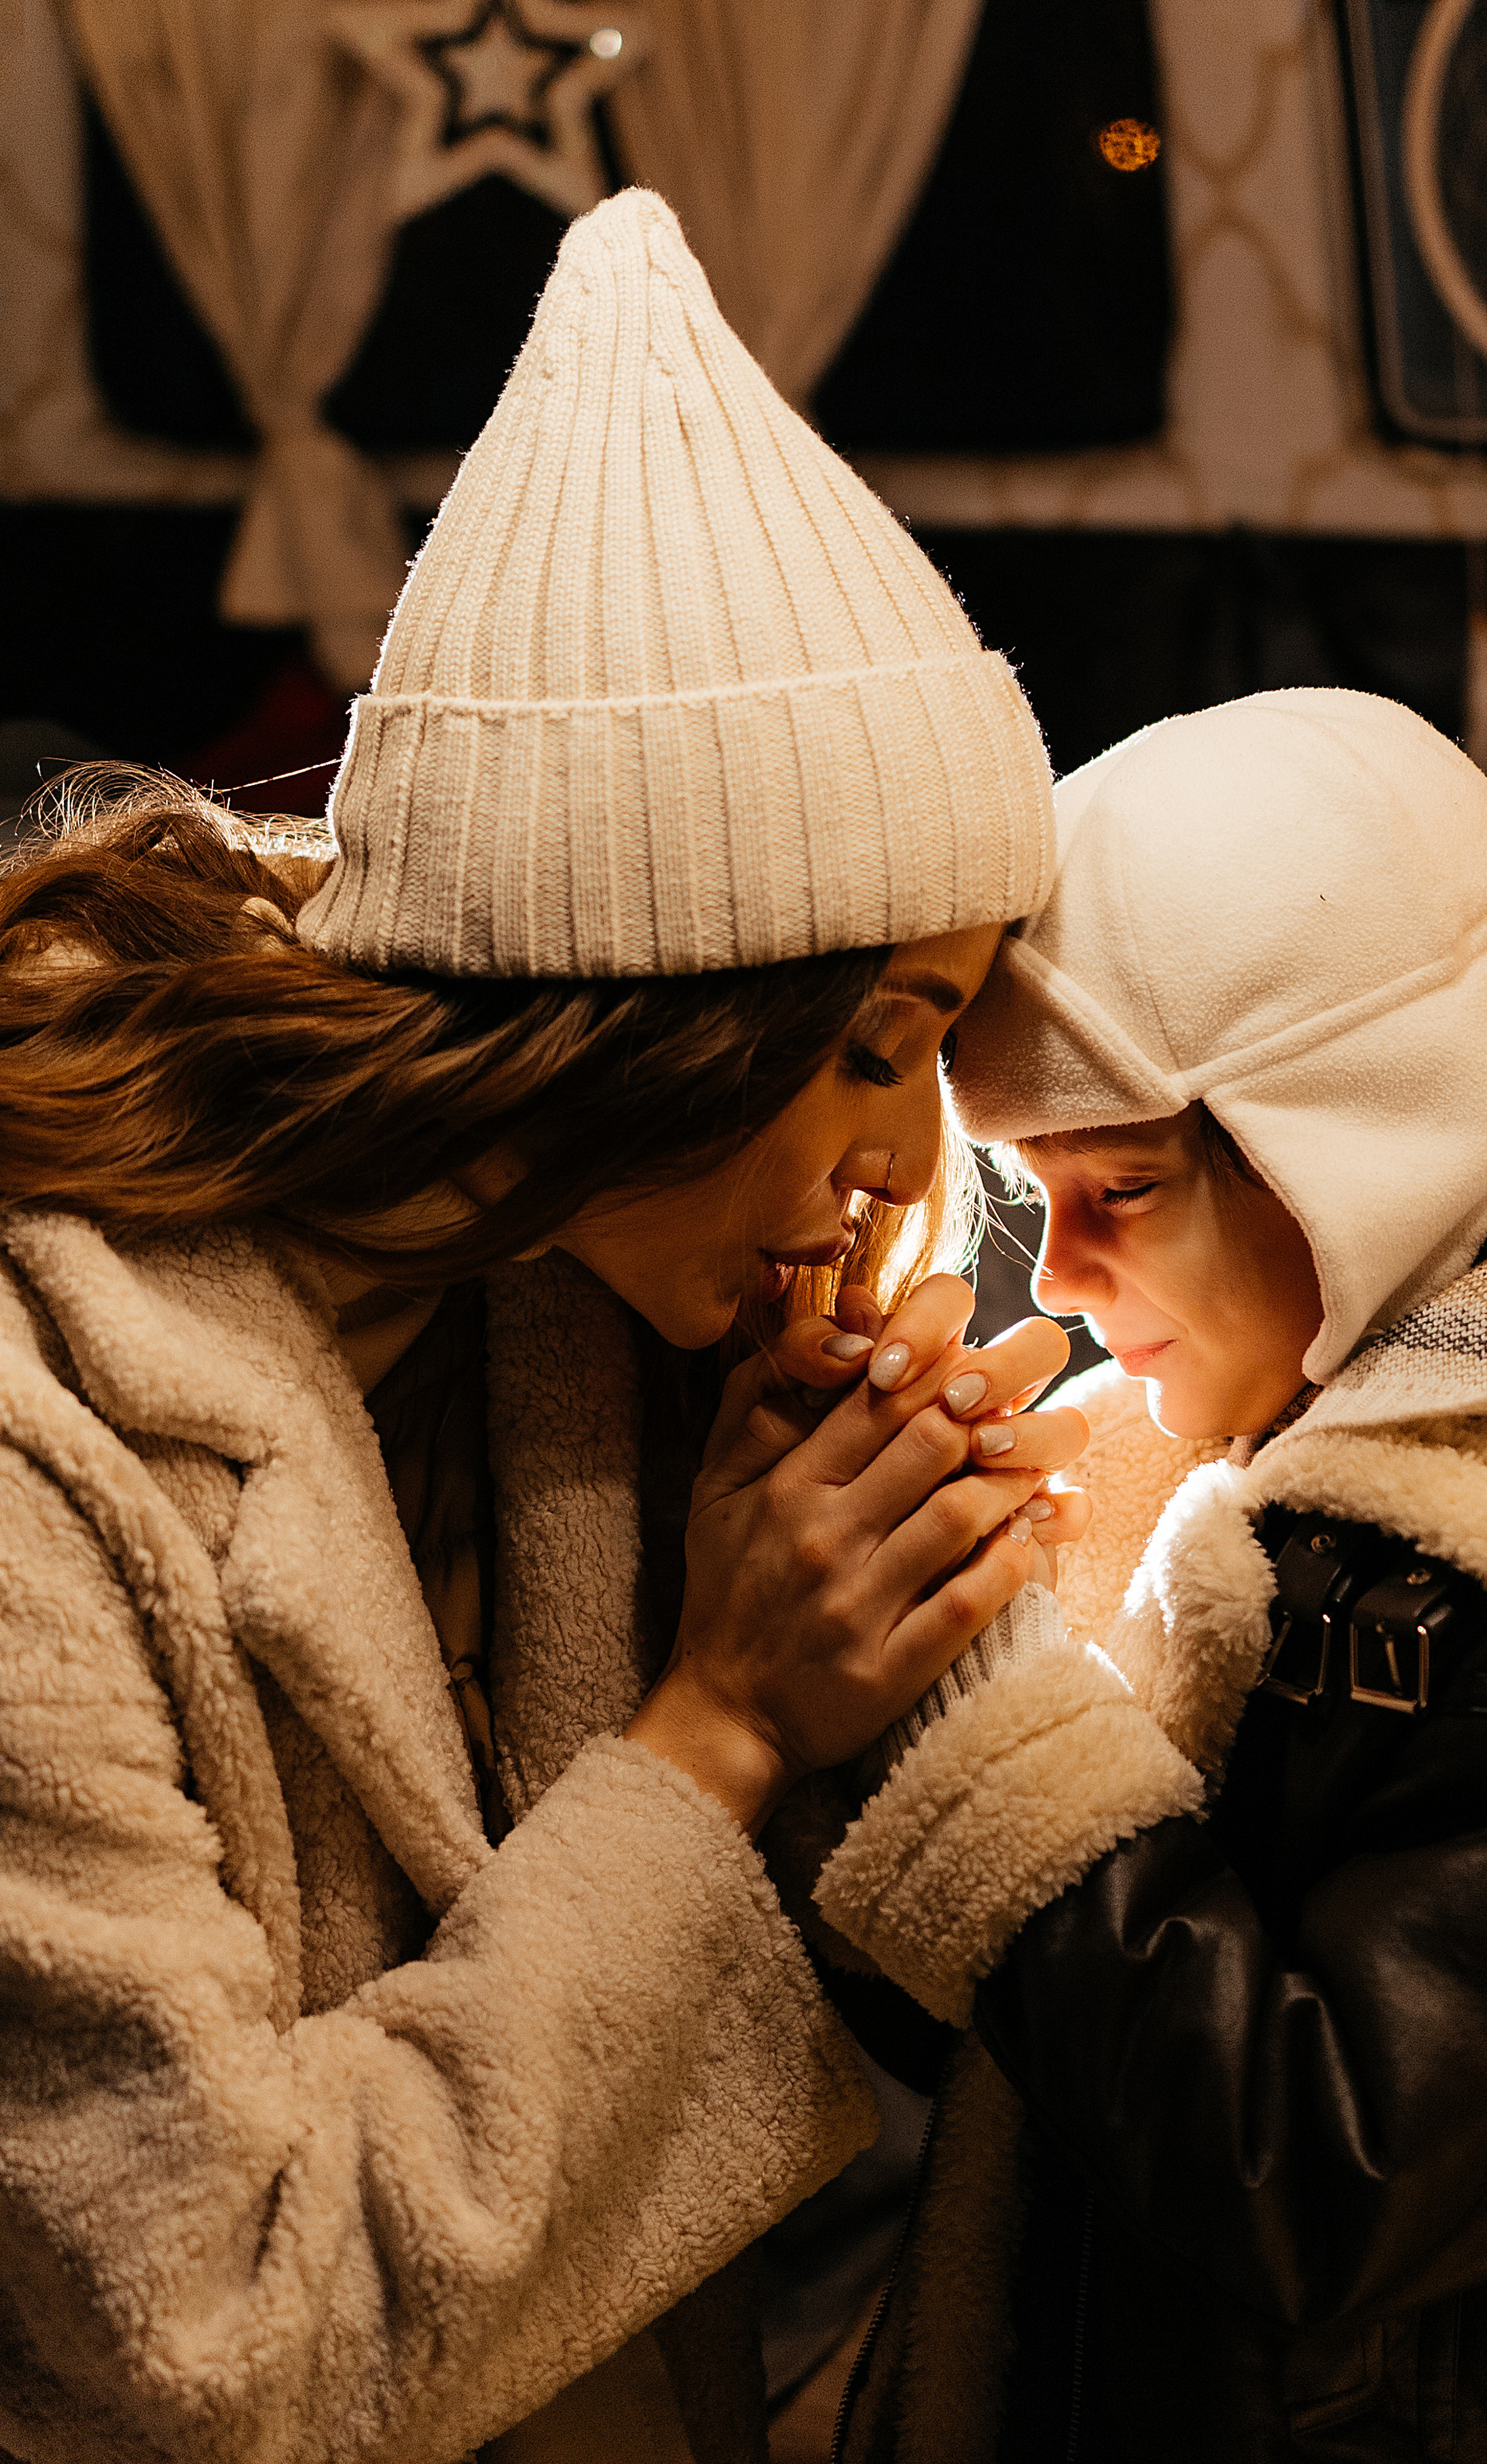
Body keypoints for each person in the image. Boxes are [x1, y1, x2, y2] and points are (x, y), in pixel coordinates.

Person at [0, 191, 1094, 2464]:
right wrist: (714, 1729)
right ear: (656, 1016)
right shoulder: (45, 1453)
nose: (913, 1162)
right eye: (883, 1040)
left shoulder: (556, 1309)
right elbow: (229, 2335)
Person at [807, 686, 1487, 2462]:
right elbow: (1028, 2066)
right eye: (1037, 1193)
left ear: (1371, 1142)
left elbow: (1315, 2172)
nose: (1063, 1275)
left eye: (1126, 1191)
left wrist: (979, 1712)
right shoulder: (1255, 1470)